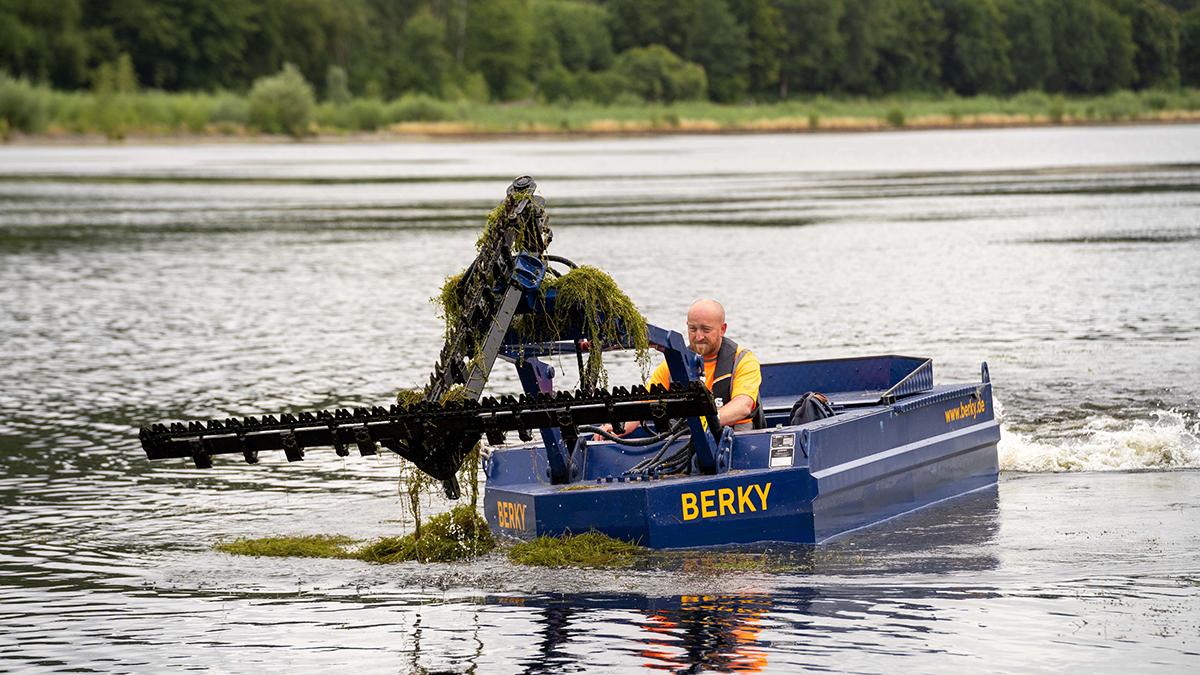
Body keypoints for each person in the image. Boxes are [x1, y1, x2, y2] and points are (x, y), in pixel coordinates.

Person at [601, 298, 762, 438]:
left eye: (706, 330)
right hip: (688, 444)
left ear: (722, 329)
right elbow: (644, 405)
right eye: (693, 329)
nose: (698, 337)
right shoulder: (673, 365)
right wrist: (616, 428)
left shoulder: (742, 360)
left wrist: (703, 421)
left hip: (739, 442)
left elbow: (743, 406)